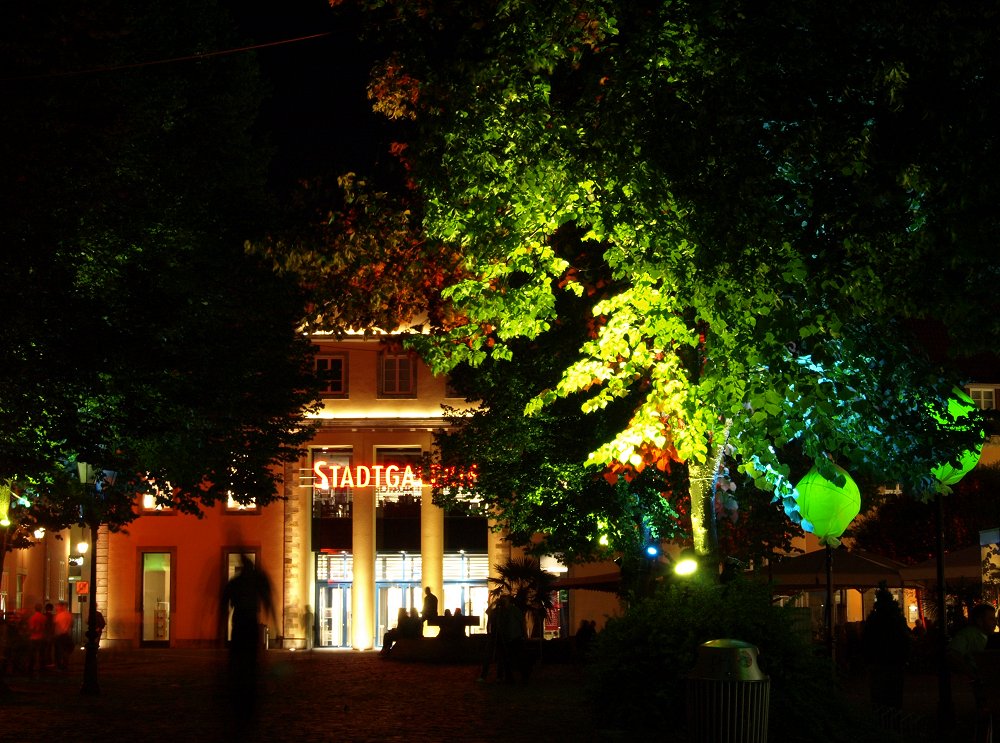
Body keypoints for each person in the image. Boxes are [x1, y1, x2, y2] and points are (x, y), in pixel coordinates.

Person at [948, 603, 997, 739]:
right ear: (979, 621)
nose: (995, 622)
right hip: (981, 686)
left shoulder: (982, 635)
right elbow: (952, 652)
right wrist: (971, 673)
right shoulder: (969, 634)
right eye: (991, 619)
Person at [27, 604, 47, 674]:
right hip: (41, 637)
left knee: (32, 654)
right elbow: (45, 627)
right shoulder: (43, 617)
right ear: (41, 609)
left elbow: (32, 628)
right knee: (42, 654)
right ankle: (42, 667)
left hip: (34, 637)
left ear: (34, 609)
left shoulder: (32, 618)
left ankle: (31, 668)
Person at [53, 601, 73, 670]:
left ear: (61, 607)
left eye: (57, 606)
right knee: (66, 651)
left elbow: (56, 626)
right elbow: (71, 625)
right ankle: (65, 665)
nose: (56, 608)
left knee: (59, 652)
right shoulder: (69, 615)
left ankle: (59, 666)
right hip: (67, 635)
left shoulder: (58, 615)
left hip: (59, 636)